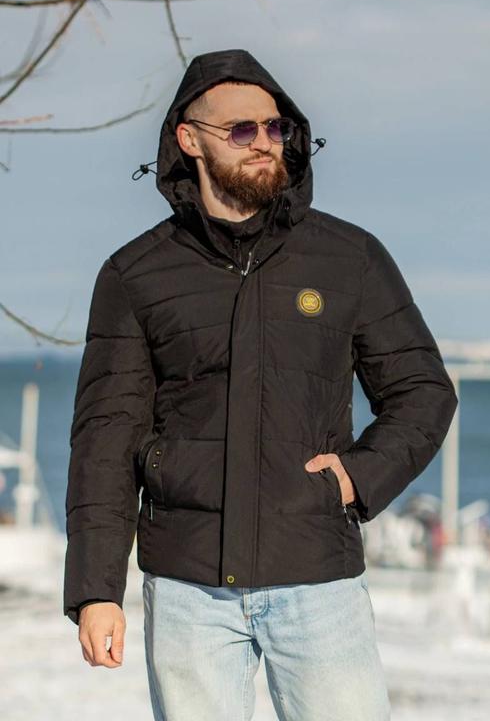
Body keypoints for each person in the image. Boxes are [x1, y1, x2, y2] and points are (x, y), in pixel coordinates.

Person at [63, 49, 458, 720]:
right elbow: (106, 435)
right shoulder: (136, 274)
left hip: (317, 580)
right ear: (190, 140)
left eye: (275, 128)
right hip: (187, 590)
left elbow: (423, 392)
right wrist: (96, 590)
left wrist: (355, 479)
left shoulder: (349, 258)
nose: (264, 142)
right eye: (241, 129)